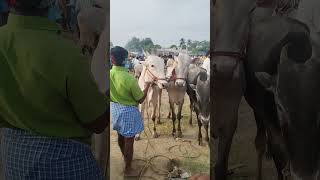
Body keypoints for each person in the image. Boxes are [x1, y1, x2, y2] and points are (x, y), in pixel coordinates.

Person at [0, 0, 108, 179]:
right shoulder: (67, 54)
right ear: (51, 3)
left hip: (14, 158)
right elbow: (97, 122)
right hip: (64, 165)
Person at [110, 46, 151, 176]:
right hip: (128, 112)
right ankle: (128, 169)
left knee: (120, 136)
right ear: (124, 59)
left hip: (115, 109)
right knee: (129, 141)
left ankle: (124, 157)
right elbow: (140, 99)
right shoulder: (130, 79)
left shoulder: (110, 73)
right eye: (127, 58)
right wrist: (147, 86)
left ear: (112, 59)